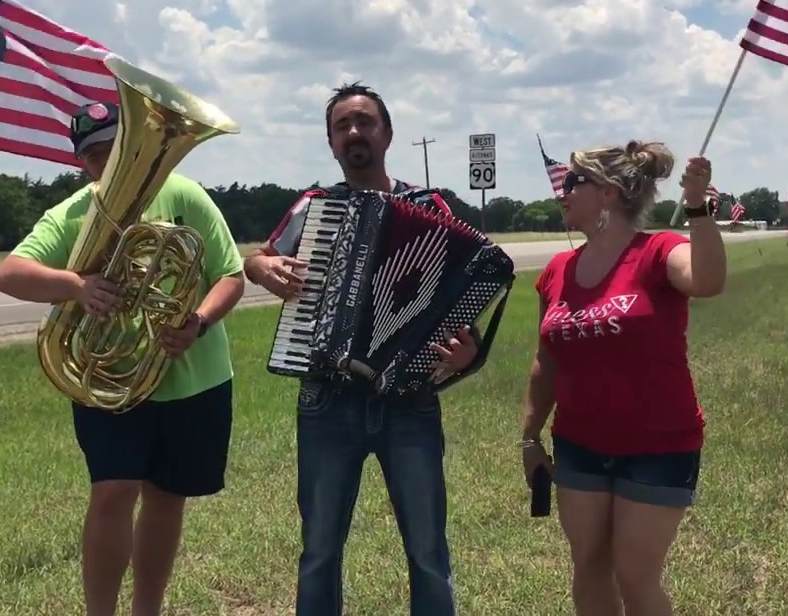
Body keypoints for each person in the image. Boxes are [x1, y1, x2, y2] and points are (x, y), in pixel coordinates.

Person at [0, 101, 246, 616]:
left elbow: (230, 275)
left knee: (167, 497)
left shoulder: (184, 194)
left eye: (116, 148)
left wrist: (197, 321)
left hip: (192, 379)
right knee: (112, 493)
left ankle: (146, 609)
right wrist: (76, 286)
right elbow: (9, 274)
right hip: (110, 382)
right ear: (80, 162)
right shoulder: (71, 214)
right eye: (94, 155)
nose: (107, 161)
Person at [243, 82, 484, 616]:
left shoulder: (430, 206)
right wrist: (263, 268)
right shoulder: (315, 207)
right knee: (319, 551)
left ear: (387, 135)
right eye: (342, 126)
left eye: (365, 122)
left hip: (410, 402)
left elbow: (462, 289)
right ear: (331, 143)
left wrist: (469, 354)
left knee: (428, 551)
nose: (354, 132)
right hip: (327, 402)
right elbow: (258, 258)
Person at [518, 142, 727, 616]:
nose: (562, 192)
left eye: (574, 181)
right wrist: (530, 437)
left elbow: (708, 281)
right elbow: (545, 361)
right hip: (579, 444)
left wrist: (697, 207)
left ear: (608, 192)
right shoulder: (557, 271)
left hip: (658, 446)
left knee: (636, 576)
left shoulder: (658, 251)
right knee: (589, 567)